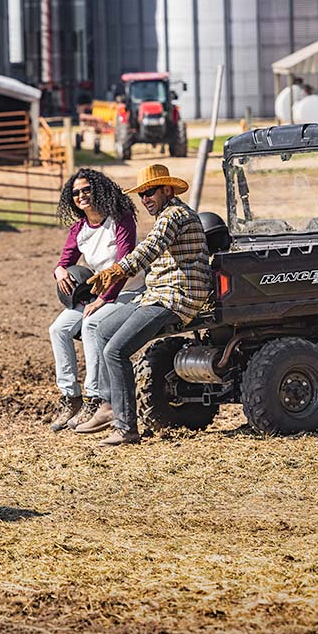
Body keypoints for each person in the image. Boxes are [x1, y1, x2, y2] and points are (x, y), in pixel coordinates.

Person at [88, 164, 213, 446]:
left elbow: (149, 249)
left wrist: (117, 270)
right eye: (141, 194)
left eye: (149, 192)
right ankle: (110, 405)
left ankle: (126, 428)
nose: (145, 199)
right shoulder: (168, 215)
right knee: (102, 328)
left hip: (176, 297)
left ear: (167, 189)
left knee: (116, 350)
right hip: (157, 294)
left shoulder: (175, 215)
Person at [48, 169, 141, 432]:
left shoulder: (120, 220)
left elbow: (125, 265)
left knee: (90, 325)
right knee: (58, 329)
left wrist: (103, 299)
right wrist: (59, 271)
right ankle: (71, 397)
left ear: (99, 190)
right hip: (99, 293)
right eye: (76, 192)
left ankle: (95, 397)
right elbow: (64, 261)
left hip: (127, 290)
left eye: (86, 189)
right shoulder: (79, 228)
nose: (81, 196)